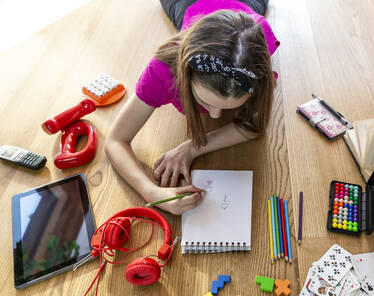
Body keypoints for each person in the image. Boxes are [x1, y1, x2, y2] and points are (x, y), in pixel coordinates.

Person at [105, 0, 280, 215]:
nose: (214, 115)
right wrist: (151, 192)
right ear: (185, 74)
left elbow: (254, 126)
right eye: (205, 102)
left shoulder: (258, 44)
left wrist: (193, 147)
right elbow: (115, 141)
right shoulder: (162, 71)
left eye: (227, 107)